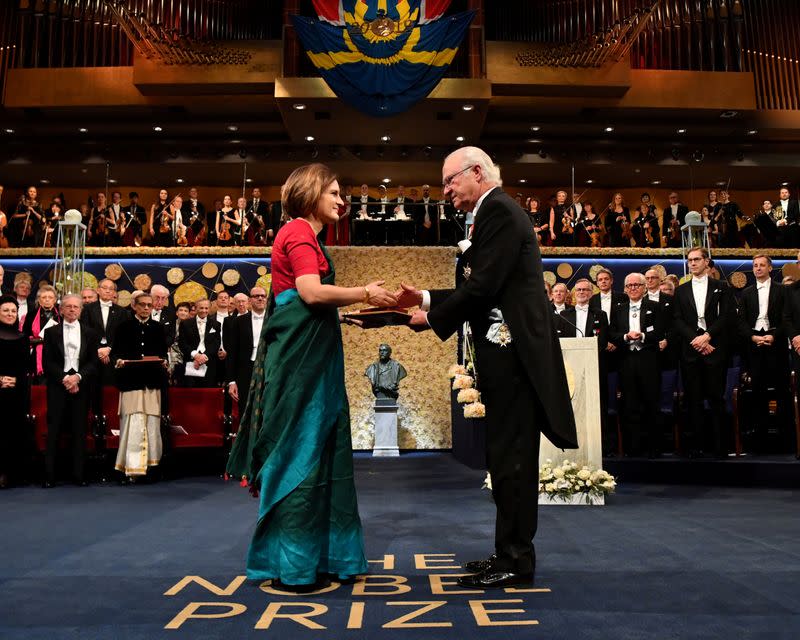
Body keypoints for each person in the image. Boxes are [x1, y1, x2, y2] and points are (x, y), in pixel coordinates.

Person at [396, 146, 577, 589]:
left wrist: (429, 314)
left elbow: (482, 286)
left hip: (515, 363)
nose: (445, 191)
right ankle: (507, 552)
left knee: (512, 460)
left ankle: (517, 561)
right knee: (503, 458)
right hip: (503, 361)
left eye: (449, 181)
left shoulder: (498, 211)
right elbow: (482, 287)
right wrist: (422, 298)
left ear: (476, 173)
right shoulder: (492, 212)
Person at [226, 163, 396, 592]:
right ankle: (293, 566)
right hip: (300, 365)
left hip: (314, 359)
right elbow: (310, 292)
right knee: (298, 453)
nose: (342, 201)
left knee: (320, 454)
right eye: (334, 192)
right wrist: (365, 293)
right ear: (310, 192)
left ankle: (320, 557)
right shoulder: (300, 232)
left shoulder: (308, 236)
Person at [673, 247, 735, 458]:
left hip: (714, 349)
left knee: (717, 398)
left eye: (697, 259)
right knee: (693, 399)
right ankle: (696, 446)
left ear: (706, 262)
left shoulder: (722, 287)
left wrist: (707, 337)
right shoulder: (681, 290)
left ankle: (720, 447)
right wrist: (696, 339)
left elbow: (726, 316)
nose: (692, 263)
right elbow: (678, 320)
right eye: (689, 260)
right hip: (691, 351)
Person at [42, 294, 98, 487]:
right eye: (68, 306)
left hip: (81, 386)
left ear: (81, 310)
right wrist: (66, 379)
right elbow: (47, 362)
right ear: (62, 309)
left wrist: (78, 378)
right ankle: (50, 476)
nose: (72, 310)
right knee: (54, 431)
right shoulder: (51, 332)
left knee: (79, 431)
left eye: (76, 307)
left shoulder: (90, 333)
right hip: (58, 386)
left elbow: (93, 362)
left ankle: (79, 475)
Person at [112, 291, 168, 481]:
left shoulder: (158, 328)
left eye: (149, 305)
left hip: (152, 383)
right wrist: (118, 360)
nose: (146, 308)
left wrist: (164, 362)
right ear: (134, 306)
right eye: (142, 305)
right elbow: (115, 353)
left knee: (152, 424)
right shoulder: (123, 327)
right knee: (132, 423)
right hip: (130, 382)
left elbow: (163, 354)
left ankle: (152, 469)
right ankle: (129, 468)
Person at [609, 273, 664, 457]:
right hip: (626, 360)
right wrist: (625, 337)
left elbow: (660, 332)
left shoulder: (655, 307)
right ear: (624, 289)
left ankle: (654, 448)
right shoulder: (618, 309)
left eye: (636, 285)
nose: (633, 288)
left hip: (648, 359)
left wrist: (643, 336)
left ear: (644, 287)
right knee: (629, 405)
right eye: (629, 285)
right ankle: (633, 449)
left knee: (651, 403)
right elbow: (612, 334)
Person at [737, 255, 789, 452]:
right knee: (757, 392)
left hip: (776, 344)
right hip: (755, 345)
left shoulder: (783, 290)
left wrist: (774, 336)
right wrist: (752, 337)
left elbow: (787, 318)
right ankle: (760, 437)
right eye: (755, 265)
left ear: (770, 267)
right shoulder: (746, 293)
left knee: (782, 391)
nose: (758, 268)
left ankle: (785, 438)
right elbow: (740, 321)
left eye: (761, 265)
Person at [0, 296, 31, 488]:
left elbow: (26, 367)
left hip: (16, 392)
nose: (10, 314)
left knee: (13, 431)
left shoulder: (22, 338)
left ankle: (13, 474)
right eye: (6, 310)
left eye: (13, 311)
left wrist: (17, 380)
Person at [226, 287, 267, 416]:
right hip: (245, 370)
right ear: (250, 300)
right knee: (245, 407)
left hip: (269, 367)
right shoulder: (239, 321)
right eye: (256, 296)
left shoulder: (274, 319)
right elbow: (232, 352)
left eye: (263, 296)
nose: (260, 298)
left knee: (267, 407)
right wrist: (232, 381)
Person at [178, 298, 221, 388]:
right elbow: (182, 343)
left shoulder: (216, 324)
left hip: (209, 362)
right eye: (201, 308)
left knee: (208, 393)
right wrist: (195, 355)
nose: (204, 310)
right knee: (191, 393)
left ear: (209, 309)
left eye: (206, 308)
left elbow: (216, 343)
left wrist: (204, 356)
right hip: (191, 361)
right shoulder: (185, 324)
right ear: (196, 308)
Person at [22, 284, 60, 383]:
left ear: (55, 300)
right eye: (44, 297)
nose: (47, 299)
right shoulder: (31, 315)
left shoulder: (61, 315)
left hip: (57, 354)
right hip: (36, 356)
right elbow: (25, 336)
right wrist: (41, 340)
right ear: (39, 300)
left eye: (50, 297)